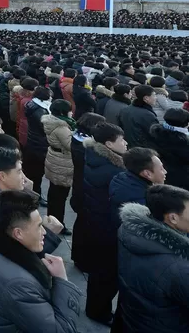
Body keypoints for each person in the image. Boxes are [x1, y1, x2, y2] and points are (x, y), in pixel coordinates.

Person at [0, 190, 84, 332]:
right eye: (39, 226)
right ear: (18, 233)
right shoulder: (20, 285)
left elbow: (18, 253)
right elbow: (61, 330)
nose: (44, 232)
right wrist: (62, 280)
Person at [72, 122, 128, 325]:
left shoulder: (93, 155)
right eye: (122, 140)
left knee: (99, 270)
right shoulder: (114, 170)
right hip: (106, 225)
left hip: (95, 218)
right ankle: (98, 311)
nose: (126, 143)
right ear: (108, 144)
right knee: (106, 273)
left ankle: (95, 307)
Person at [0, 147, 63, 261]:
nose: (23, 176)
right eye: (19, 171)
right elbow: (18, 259)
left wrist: (26, 192)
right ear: (2, 176)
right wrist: (49, 235)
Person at [117, 184, 189, 332]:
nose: (165, 171)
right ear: (173, 218)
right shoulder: (178, 267)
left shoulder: (128, 230)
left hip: (133, 318)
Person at [42, 99, 75, 234]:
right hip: (62, 161)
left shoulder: (52, 120)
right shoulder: (61, 127)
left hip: (54, 158)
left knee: (54, 193)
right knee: (60, 196)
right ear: (63, 112)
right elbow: (70, 145)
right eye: (69, 110)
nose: (71, 113)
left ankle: (52, 219)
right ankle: (58, 224)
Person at [150, 108, 189, 190]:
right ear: (186, 124)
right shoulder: (182, 143)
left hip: (162, 173)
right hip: (182, 177)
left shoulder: (156, 134)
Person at [24, 87, 52, 198]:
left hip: (33, 142)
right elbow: (45, 128)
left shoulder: (32, 105)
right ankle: (35, 195)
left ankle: (35, 193)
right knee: (36, 173)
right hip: (39, 145)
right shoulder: (41, 111)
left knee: (34, 173)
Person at [120, 84, 159, 149]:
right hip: (144, 149)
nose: (156, 98)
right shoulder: (148, 115)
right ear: (146, 98)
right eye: (154, 95)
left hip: (129, 146)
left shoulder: (126, 109)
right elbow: (155, 136)